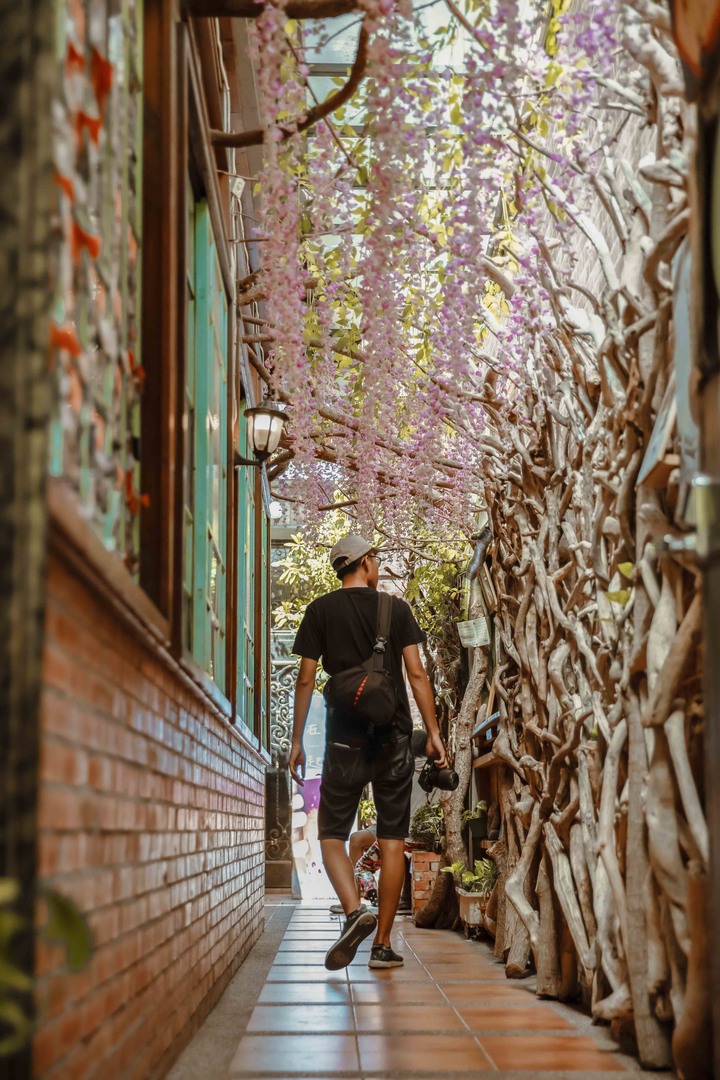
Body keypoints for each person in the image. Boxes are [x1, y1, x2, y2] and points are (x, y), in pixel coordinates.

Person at [289, 533, 447, 971]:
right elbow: (416, 674)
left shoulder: (319, 611)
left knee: (331, 833)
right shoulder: (394, 610)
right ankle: (381, 946)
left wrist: (297, 739)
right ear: (367, 562)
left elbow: (305, 679)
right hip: (393, 738)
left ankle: (355, 909)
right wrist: (432, 732)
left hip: (344, 740)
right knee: (392, 841)